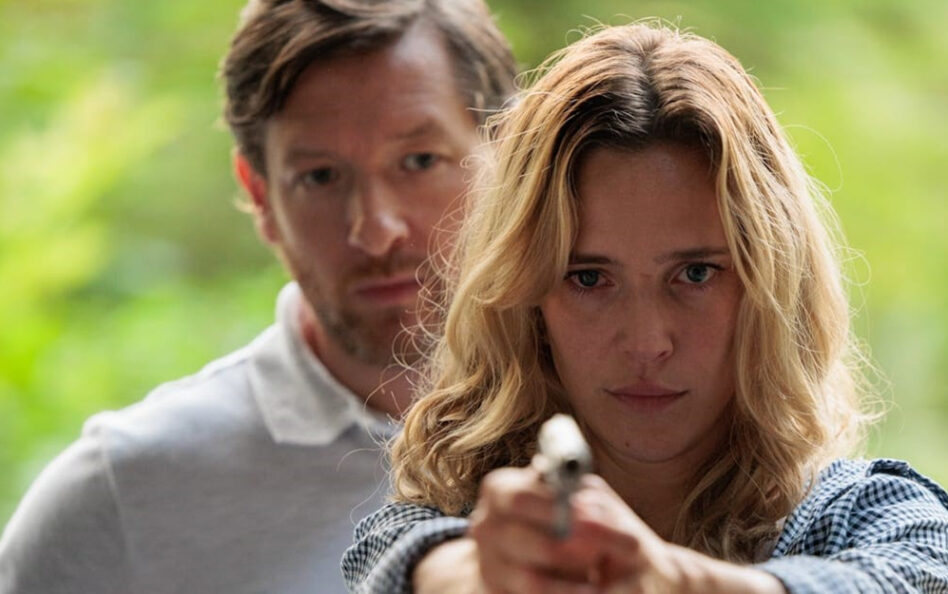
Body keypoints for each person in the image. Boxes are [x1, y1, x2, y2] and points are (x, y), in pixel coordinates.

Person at [342, 21, 948, 594]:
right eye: (588, 278)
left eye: (695, 274)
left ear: (770, 286)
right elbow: (408, 562)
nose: (647, 342)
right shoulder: (444, 525)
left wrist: (671, 579)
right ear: (527, 303)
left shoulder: (859, 515)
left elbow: (917, 570)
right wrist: (485, 573)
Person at [0, 1, 516, 593]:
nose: (376, 231)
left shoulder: (599, 416)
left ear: (509, 157)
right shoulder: (124, 495)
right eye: (320, 176)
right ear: (261, 196)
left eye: (419, 161)